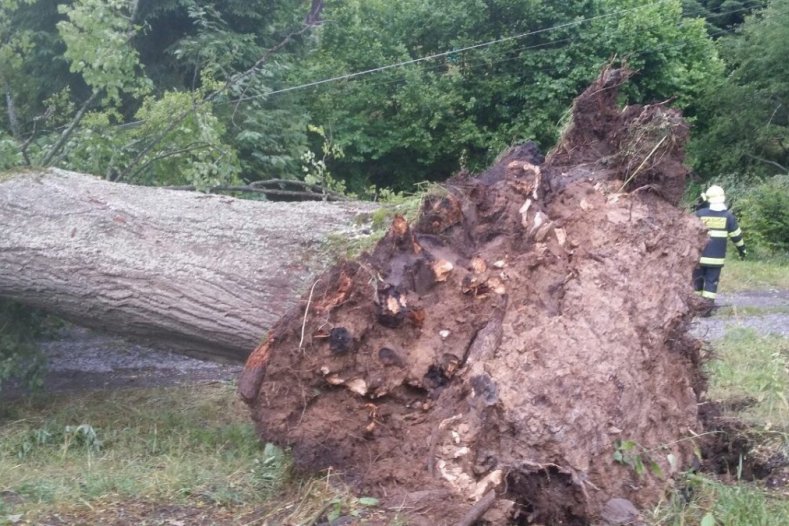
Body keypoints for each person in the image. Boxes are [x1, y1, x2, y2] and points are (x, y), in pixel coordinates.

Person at [692, 185, 746, 308]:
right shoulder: (728, 216)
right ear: (723, 198)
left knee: (696, 281)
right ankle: (706, 308)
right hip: (716, 259)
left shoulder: (699, 214)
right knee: (711, 282)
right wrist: (742, 250)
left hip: (698, 257)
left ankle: (694, 306)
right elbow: (736, 237)